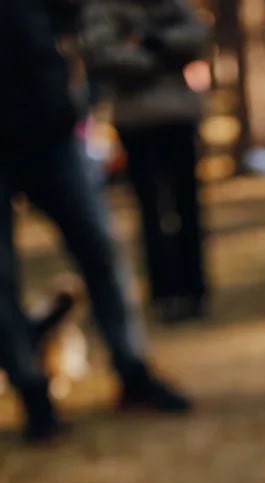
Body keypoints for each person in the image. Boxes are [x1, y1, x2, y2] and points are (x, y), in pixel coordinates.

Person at [0, 0, 191, 443]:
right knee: (1, 278)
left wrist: (77, 96)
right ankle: (33, 395)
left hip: (51, 135)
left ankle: (133, 372)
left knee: (101, 250)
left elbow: (80, 19)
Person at [80, 0, 211, 324]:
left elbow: (196, 35)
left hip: (179, 118)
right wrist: (158, 58)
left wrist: (151, 43)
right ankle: (166, 295)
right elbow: (102, 53)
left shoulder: (170, 6)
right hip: (136, 123)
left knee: (188, 206)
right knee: (151, 211)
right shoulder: (105, 9)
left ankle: (195, 291)